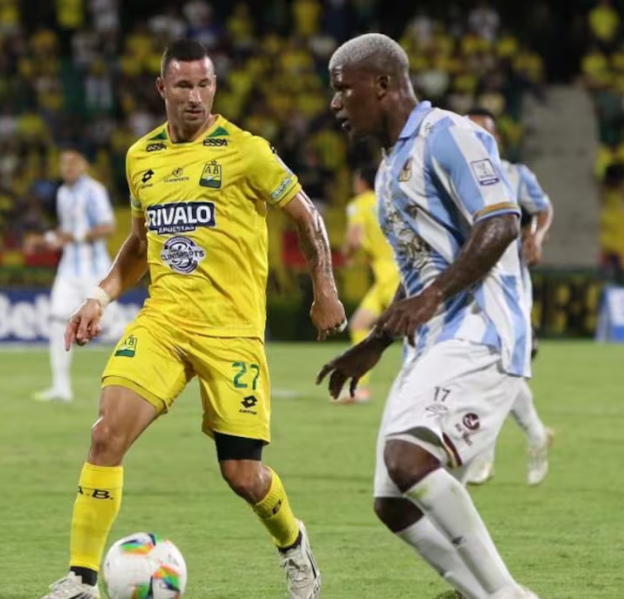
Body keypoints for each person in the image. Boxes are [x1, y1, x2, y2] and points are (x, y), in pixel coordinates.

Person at [39, 39, 346, 599]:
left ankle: (293, 543)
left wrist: (324, 287)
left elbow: (308, 217)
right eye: (183, 85)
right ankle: (81, 579)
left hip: (232, 333)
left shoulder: (247, 151)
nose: (195, 97)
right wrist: (99, 297)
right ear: (162, 88)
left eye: (204, 84)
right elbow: (139, 244)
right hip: (164, 323)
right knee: (106, 436)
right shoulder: (141, 158)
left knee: (243, 475)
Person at [318, 34, 539, 599]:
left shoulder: (449, 135)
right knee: (391, 502)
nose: (335, 103)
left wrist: (434, 296)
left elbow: (501, 222)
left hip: (482, 330)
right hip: (434, 340)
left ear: (383, 85)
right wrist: (374, 343)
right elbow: (418, 273)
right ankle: (480, 593)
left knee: (408, 458)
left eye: (343, 89)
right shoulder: (389, 169)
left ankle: (507, 594)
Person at [464, 108, 556, 486]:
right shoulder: (452, 177)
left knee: (495, 367)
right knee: (484, 369)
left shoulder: (515, 175)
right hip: (466, 285)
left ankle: (485, 453)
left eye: (483, 134)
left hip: (509, 286)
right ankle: (534, 434)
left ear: (496, 139)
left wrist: (536, 237)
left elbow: (544, 209)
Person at [30, 147, 116, 404]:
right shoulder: (62, 193)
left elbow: (108, 227)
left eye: (73, 163)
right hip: (68, 269)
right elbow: (65, 230)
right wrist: (47, 239)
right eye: (64, 163)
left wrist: (74, 237)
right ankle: (61, 387)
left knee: (109, 328)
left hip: (94, 269)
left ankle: (133, 384)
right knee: (57, 321)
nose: (67, 168)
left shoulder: (94, 191)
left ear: (84, 166)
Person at [335, 164, 399, 404]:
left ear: (362, 182)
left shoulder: (359, 204)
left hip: (389, 277)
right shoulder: (389, 200)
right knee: (360, 324)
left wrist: (348, 253)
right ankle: (359, 388)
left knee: (417, 332)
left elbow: (354, 239)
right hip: (396, 272)